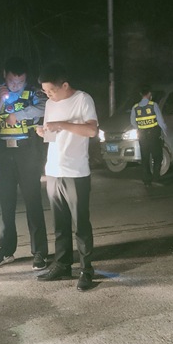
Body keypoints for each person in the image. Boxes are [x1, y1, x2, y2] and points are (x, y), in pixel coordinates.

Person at [35, 62, 98, 292]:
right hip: (54, 170)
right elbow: (51, 135)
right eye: (45, 91)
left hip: (76, 171)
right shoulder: (50, 104)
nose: (48, 95)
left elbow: (91, 130)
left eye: (51, 90)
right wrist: (43, 132)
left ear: (64, 85)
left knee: (81, 224)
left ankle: (86, 270)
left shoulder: (83, 99)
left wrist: (62, 124)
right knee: (60, 225)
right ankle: (62, 265)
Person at [0, 57, 49, 271]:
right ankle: (6, 250)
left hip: (27, 151)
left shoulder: (33, 93)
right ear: (5, 75)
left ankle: (39, 252)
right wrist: (0, 102)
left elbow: (44, 107)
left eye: (20, 81)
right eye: (12, 81)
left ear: (26, 79)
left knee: (33, 201)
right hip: (3, 153)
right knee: (6, 203)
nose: (16, 85)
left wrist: (18, 115)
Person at [130, 84, 168, 186]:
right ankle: (156, 177)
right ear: (149, 94)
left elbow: (133, 122)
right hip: (153, 134)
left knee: (145, 157)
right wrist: (165, 132)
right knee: (157, 156)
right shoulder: (153, 105)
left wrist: (140, 128)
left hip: (142, 135)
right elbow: (160, 121)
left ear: (140, 94)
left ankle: (146, 180)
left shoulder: (135, 107)